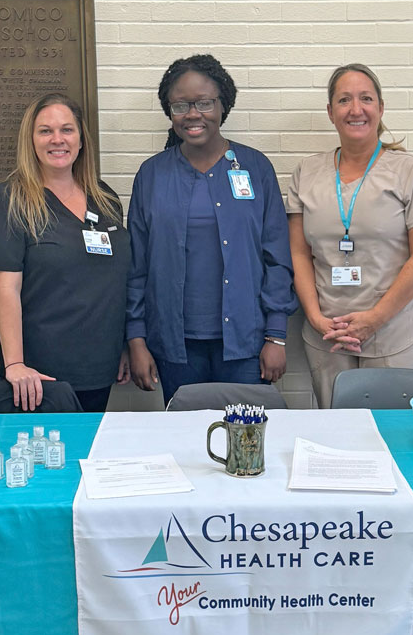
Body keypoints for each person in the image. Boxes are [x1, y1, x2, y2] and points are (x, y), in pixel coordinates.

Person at [126, 54, 296, 405]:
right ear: (169, 110)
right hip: (175, 348)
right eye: (181, 105)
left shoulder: (256, 167)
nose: (193, 114)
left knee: (248, 446)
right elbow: (136, 267)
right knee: (186, 443)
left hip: (246, 344)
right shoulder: (152, 175)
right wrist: (136, 339)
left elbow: (277, 257)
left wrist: (276, 336)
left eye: (204, 103)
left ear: (223, 106)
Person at [287, 64, 413, 409]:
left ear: (380, 108)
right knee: (337, 433)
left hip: (395, 332)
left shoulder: (411, 172)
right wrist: (315, 317)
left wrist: (374, 319)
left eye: (366, 99)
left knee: (395, 435)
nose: (355, 109)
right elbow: (299, 253)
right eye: (344, 100)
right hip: (327, 334)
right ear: (331, 112)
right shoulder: (307, 172)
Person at [0, 93, 131, 412]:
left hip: (98, 365)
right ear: (30, 141)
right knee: (42, 458)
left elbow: (113, 281)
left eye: (67, 130)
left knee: (84, 456)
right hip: (36, 374)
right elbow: (7, 289)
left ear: (81, 139)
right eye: (45, 131)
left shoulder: (105, 199)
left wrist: (123, 346)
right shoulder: (8, 202)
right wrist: (14, 363)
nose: (57, 139)